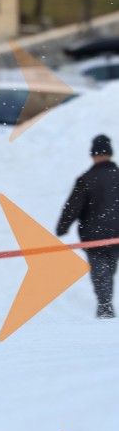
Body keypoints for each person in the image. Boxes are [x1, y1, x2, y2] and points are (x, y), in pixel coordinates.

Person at [57, 134, 119, 319]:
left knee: (101, 273)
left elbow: (73, 206)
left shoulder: (87, 179)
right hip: (116, 236)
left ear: (93, 154)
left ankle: (105, 308)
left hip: (95, 238)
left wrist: (62, 227)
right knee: (108, 270)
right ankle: (106, 306)